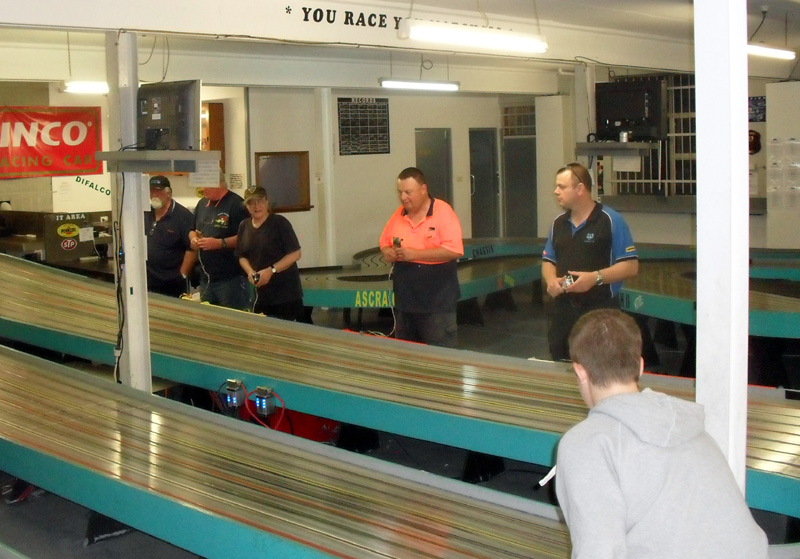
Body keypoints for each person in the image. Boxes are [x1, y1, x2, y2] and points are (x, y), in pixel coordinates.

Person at [555, 309, 769, 559]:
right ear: (641, 366)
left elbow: (599, 551)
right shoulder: (688, 424)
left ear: (580, 371)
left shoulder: (587, 443)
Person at [542, 162, 638, 361]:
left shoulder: (611, 220)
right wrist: (551, 280)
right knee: (561, 362)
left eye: (562, 187)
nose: (556, 191)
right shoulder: (558, 224)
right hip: (564, 311)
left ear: (580, 189)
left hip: (600, 311)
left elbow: (630, 266)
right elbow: (549, 260)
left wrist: (595, 278)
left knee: (600, 365)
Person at [379, 167, 463, 348]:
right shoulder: (398, 215)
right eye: (400, 192)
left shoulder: (443, 212)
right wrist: (387, 252)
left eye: (408, 192)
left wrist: (415, 254)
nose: (403, 197)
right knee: (407, 354)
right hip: (406, 303)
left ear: (423, 189)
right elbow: (384, 242)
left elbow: (454, 250)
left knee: (439, 355)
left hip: (437, 303)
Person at [235, 186, 307, 322]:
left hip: (285, 294)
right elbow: (241, 255)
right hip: (261, 295)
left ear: (267, 201)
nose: (256, 206)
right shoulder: (244, 226)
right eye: (251, 203)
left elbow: (296, 253)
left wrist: (271, 270)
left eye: (260, 201)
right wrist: (250, 271)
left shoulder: (280, 223)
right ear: (246, 206)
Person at [189, 172, 249, 310]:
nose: (202, 189)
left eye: (206, 185)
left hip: (230, 278)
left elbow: (246, 237)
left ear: (219, 183)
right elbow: (191, 229)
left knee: (233, 318)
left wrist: (219, 243)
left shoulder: (237, 204)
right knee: (209, 318)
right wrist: (193, 239)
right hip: (206, 278)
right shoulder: (202, 203)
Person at [144, 175, 196, 297]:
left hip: (173, 283)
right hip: (149, 280)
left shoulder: (183, 216)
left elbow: (192, 249)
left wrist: (182, 274)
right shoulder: (146, 213)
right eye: (151, 191)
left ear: (168, 193)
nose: (154, 194)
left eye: (158, 191)